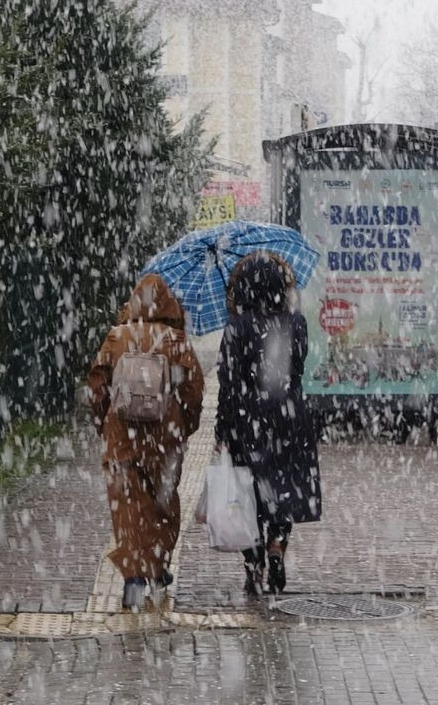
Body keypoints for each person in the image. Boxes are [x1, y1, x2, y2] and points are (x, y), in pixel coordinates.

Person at [88, 274, 205, 611]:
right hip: (165, 439)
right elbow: (193, 392)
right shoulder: (177, 341)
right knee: (162, 503)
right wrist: (185, 426)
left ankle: (133, 577)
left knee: (127, 507)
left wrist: (104, 424)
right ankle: (157, 566)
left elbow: (97, 388)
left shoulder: (116, 337)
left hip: (121, 437)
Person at [216, 252, 322, 597]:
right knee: (284, 488)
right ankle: (277, 545)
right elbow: (298, 368)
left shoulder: (237, 328)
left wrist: (223, 429)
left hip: (249, 420)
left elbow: (228, 382)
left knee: (247, 495)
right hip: (290, 416)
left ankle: (254, 560)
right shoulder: (298, 323)